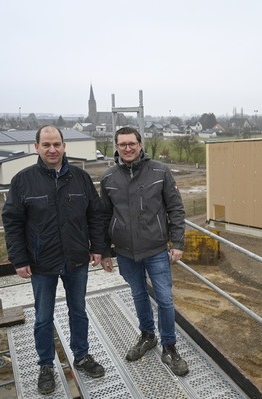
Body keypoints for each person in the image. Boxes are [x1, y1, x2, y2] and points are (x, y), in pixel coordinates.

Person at [2, 125, 106, 394]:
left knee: (79, 311)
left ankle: (81, 356)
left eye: (56, 144)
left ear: (64, 146)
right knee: (43, 317)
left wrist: (99, 247)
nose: (52, 149)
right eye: (46, 144)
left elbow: (95, 215)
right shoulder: (23, 181)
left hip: (76, 259)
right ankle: (46, 365)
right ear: (36, 147)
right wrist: (18, 258)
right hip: (41, 262)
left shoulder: (81, 179)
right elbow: (12, 222)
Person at [99, 127, 188, 376]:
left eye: (132, 143)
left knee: (165, 299)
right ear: (116, 147)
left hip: (156, 248)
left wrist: (178, 243)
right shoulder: (109, 178)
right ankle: (148, 336)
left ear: (140, 144)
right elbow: (103, 216)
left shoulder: (159, 171)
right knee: (138, 295)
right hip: (126, 252)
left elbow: (176, 209)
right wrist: (105, 251)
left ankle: (169, 346)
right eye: (122, 144)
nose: (127, 148)